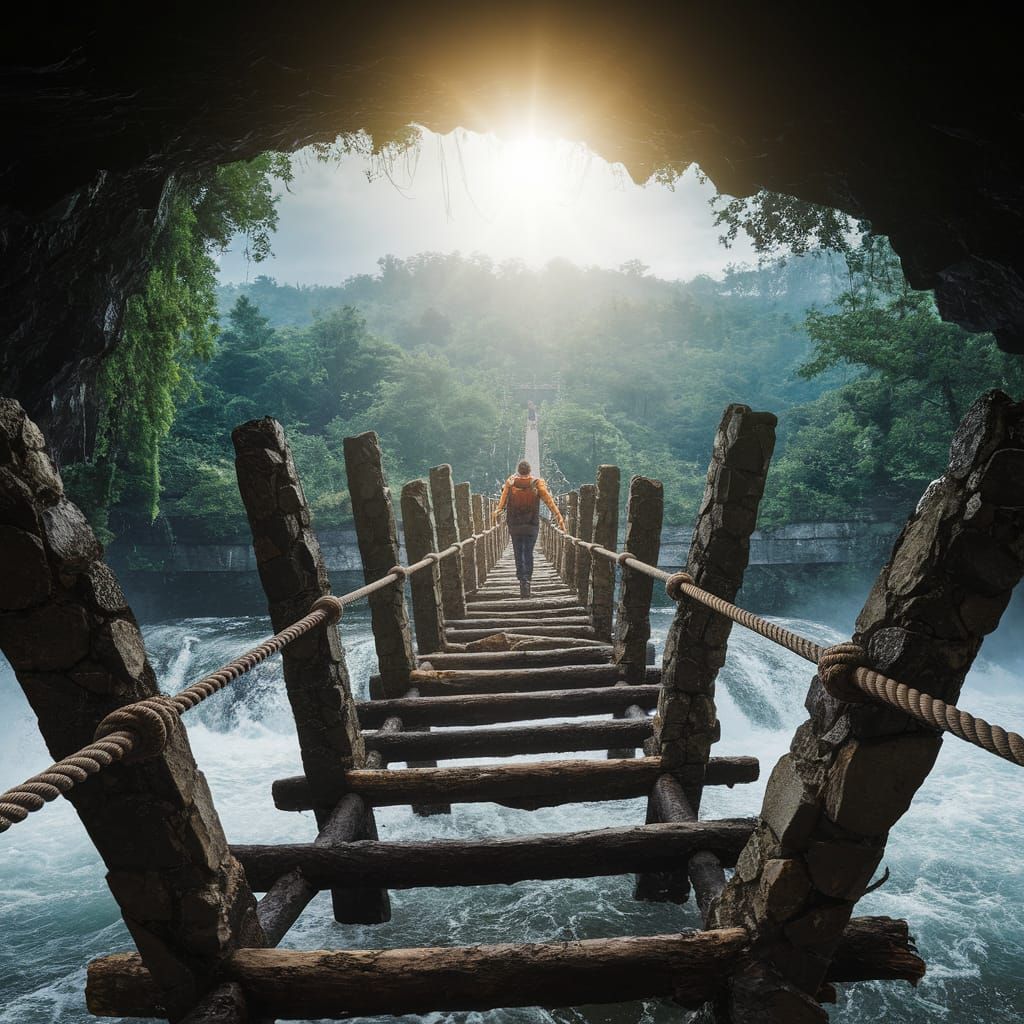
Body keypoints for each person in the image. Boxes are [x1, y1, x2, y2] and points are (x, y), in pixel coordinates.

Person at [494, 459, 565, 598]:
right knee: (528, 552)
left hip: (514, 526)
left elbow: (501, 505)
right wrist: (559, 517)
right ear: (530, 470)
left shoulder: (510, 483)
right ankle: (527, 580)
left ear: (518, 471)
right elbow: (549, 502)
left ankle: (522, 580)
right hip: (531, 526)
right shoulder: (537, 483)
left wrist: (496, 514)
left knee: (518, 552)